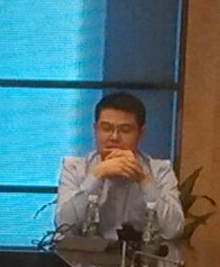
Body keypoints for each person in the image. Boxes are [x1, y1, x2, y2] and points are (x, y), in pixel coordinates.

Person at [53, 92, 183, 243]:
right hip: (86, 256)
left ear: (141, 133)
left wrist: (144, 180)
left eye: (125, 130)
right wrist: (96, 175)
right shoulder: (74, 168)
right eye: (106, 128)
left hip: (140, 255)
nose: (114, 137)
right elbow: (64, 225)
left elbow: (174, 230)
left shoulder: (160, 170)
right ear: (95, 129)